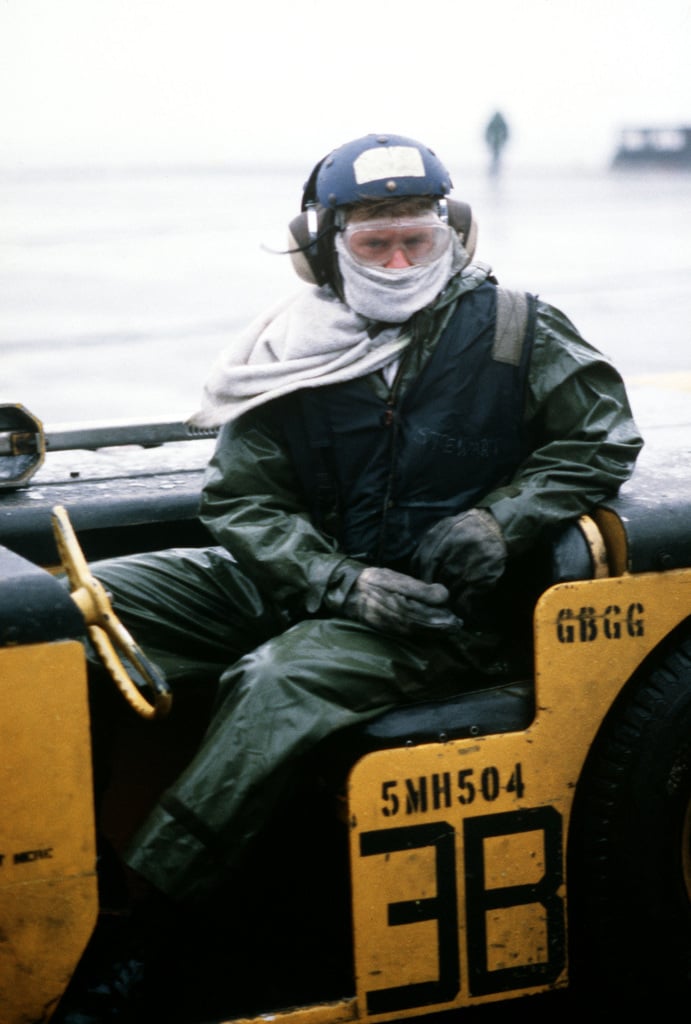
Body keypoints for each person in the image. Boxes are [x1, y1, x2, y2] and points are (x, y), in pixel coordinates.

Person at [56, 132, 643, 1019]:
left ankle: (143, 932)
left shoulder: (516, 328)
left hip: (438, 619)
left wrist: (502, 518)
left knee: (280, 677)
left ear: (456, 233)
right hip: (313, 581)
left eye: (419, 237)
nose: (401, 260)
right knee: (75, 610)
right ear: (322, 247)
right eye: (375, 243)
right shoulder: (291, 351)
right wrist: (335, 581)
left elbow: (600, 436)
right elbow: (243, 503)